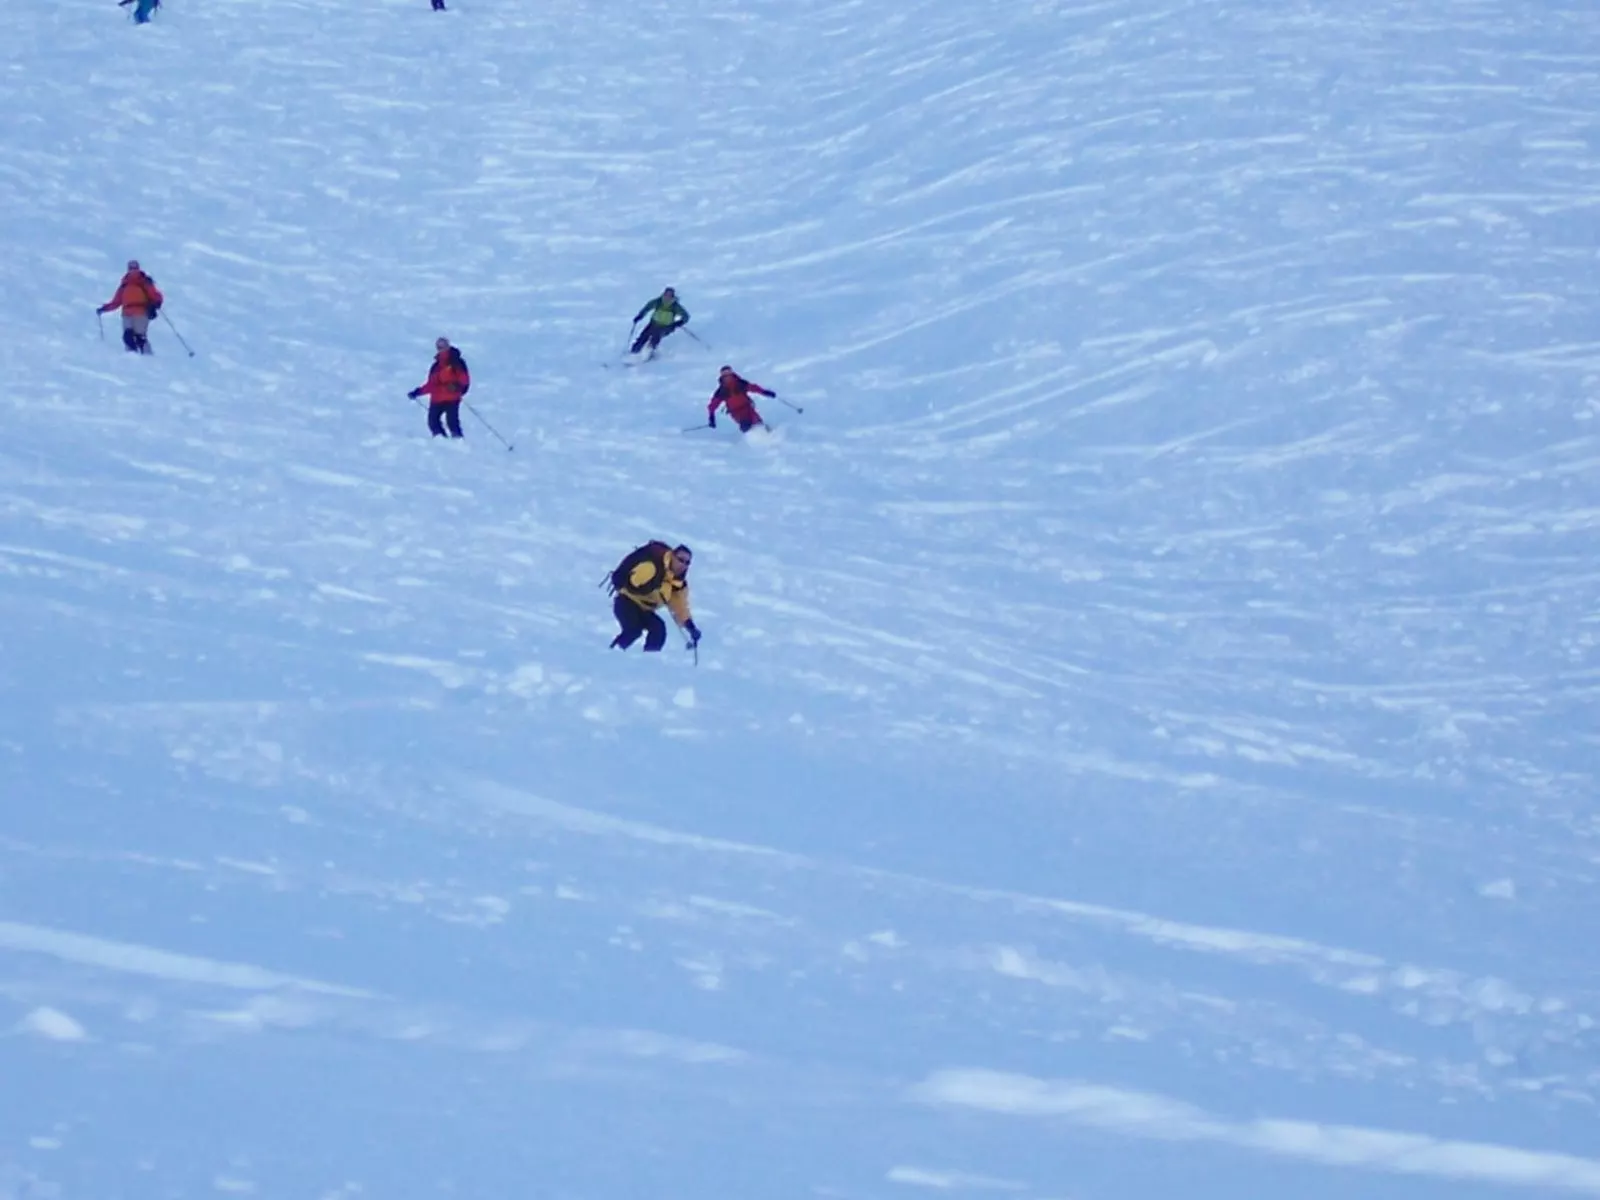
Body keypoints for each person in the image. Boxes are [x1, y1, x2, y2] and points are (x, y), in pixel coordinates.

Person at [608, 541, 702, 653]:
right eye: (680, 560)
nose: (683, 565)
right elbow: (633, 583)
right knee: (633, 630)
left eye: (687, 563)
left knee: (658, 630)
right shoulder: (652, 567)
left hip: (645, 609)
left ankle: (648, 661)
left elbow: (680, 607)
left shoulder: (677, 584)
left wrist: (690, 627)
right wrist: (653, 584)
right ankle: (612, 654)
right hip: (626, 601)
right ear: (672, 556)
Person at [408, 337, 471, 438]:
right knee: (433, 422)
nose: (440, 349)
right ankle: (442, 442)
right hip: (437, 398)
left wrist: (457, 387)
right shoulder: (436, 366)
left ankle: (458, 442)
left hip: (452, 397)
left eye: (443, 346)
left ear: (448, 346)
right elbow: (431, 385)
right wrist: (417, 392)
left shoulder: (457, 362)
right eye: (438, 347)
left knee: (452, 422)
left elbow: (464, 379)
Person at [97, 260, 163, 354]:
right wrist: (104, 308)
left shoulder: (144, 282)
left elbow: (155, 295)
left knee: (139, 336)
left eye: (135, 268)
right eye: (131, 268)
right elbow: (116, 301)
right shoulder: (125, 284)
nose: (133, 270)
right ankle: (132, 356)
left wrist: (156, 303)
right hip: (127, 313)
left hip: (141, 313)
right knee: (127, 336)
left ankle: (146, 356)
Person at [707, 366, 775, 433]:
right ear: (722, 376)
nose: (727, 376)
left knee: (758, 423)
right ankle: (752, 439)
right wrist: (711, 418)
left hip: (748, 408)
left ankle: (771, 435)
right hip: (736, 412)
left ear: (732, 373)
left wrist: (765, 392)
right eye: (725, 374)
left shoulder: (740, 383)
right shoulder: (721, 391)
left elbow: (753, 387)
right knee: (746, 425)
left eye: (728, 372)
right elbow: (712, 406)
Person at [629, 287, 689, 358]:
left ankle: (649, 354)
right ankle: (633, 352)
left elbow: (686, 316)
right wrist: (640, 316)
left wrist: (678, 323)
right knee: (643, 336)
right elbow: (647, 307)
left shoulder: (675, 306)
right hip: (653, 324)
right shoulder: (658, 302)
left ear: (673, 296)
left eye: (669, 295)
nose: (667, 297)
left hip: (666, 327)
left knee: (655, 338)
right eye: (666, 295)